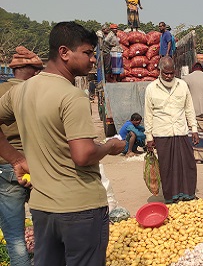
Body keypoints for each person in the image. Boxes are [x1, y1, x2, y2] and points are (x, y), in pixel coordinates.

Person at [0, 22, 126, 265]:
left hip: (43, 208)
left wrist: (16, 158)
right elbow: (83, 154)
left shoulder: (22, 91)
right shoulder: (72, 96)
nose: (92, 60)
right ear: (64, 53)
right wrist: (110, 147)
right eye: (87, 53)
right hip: (80, 208)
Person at [0, 46, 43, 266]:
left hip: (7, 166)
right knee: (47, 231)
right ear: (33, 70)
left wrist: (13, 159)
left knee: (15, 237)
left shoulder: (2, 90)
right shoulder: (39, 92)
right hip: (37, 165)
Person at [144, 57, 199, 203]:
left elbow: (189, 108)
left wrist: (194, 129)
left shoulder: (182, 85)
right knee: (167, 168)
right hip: (162, 133)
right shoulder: (151, 88)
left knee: (188, 165)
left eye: (171, 73)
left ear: (175, 70)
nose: (168, 76)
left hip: (181, 131)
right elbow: (148, 114)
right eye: (165, 73)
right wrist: (149, 137)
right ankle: (171, 197)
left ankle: (188, 194)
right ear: (159, 71)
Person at [183, 62, 203, 164]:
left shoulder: (186, 78)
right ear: (202, 69)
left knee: (193, 133)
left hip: (192, 110)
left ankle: (196, 157)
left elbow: (184, 95)